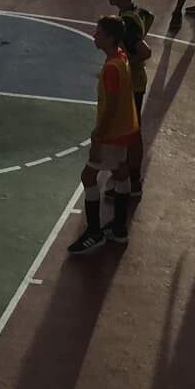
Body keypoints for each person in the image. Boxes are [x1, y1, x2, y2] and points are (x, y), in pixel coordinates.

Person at [66, 14, 141, 254]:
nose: (94, 35)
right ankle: (118, 228)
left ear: (109, 38)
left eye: (98, 33)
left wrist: (98, 137)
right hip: (125, 129)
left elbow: (110, 107)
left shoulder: (110, 68)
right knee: (120, 172)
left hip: (111, 133)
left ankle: (94, 232)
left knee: (88, 177)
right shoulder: (121, 58)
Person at [106, 0, 154, 205]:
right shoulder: (136, 13)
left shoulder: (125, 22)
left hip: (131, 84)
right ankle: (130, 178)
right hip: (135, 82)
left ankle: (131, 181)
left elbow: (144, 51)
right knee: (132, 132)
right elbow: (149, 17)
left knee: (129, 135)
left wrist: (125, 62)